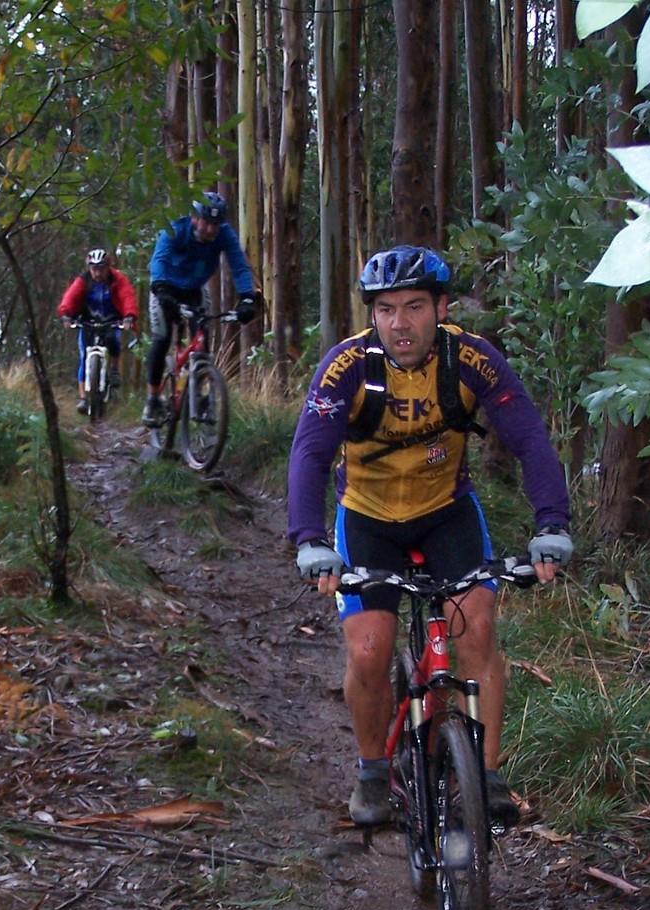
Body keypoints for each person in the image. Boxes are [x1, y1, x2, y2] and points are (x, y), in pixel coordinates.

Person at [286, 245, 573, 828]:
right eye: (386, 309)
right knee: (370, 649)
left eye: (414, 306)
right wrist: (309, 539)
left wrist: (552, 524)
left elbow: (528, 437)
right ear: (372, 314)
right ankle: (373, 771)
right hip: (366, 518)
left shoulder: (471, 359)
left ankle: (485, 777)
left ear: (441, 308)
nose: (400, 323)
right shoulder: (348, 366)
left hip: (447, 512)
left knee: (478, 629)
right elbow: (310, 452)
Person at [143, 191, 259, 427]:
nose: (210, 229)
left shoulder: (224, 234)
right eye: (206, 222)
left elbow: (239, 265)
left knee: (203, 342)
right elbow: (159, 258)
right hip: (165, 287)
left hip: (195, 289)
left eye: (216, 224)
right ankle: (153, 399)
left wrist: (247, 298)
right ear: (195, 218)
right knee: (162, 339)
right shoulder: (177, 228)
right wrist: (161, 288)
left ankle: (198, 393)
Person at [57, 248, 138, 413]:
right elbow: (70, 297)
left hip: (111, 320)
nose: (97, 273)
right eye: (94, 269)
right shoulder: (83, 280)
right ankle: (83, 398)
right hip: (87, 321)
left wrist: (129, 315)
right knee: (84, 356)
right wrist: (66, 314)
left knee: (114, 342)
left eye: (101, 268)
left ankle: (114, 370)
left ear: (108, 268)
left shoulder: (117, 279)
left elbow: (127, 296)